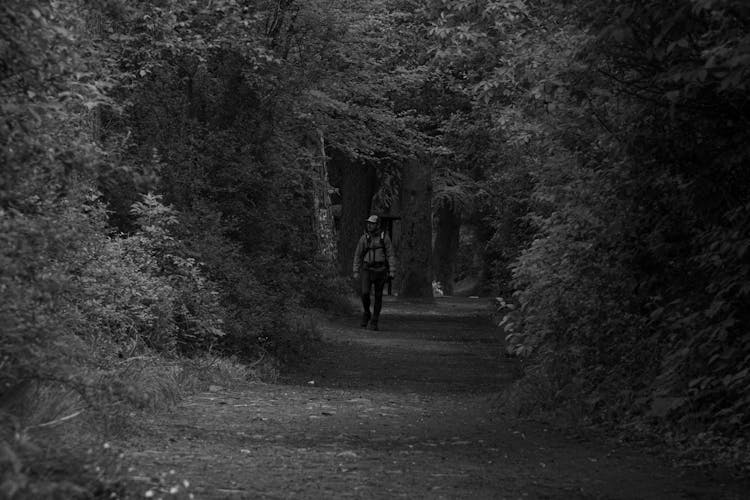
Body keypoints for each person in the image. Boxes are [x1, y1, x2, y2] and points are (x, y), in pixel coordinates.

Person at [352, 215, 396, 331]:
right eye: (368, 223)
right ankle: (367, 312)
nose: (369, 225)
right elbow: (358, 255)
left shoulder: (384, 238)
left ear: (377, 225)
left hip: (381, 270)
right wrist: (356, 270)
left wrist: (392, 270)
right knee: (365, 293)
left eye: (372, 223)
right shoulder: (364, 238)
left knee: (378, 296)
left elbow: (390, 254)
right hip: (367, 269)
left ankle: (374, 320)